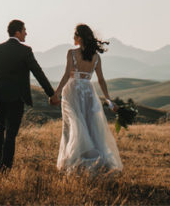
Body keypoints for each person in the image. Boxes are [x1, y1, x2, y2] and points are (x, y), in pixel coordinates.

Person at [0, 19, 58, 172]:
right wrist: (51, 94)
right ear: (17, 32)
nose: (26, 33)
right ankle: (6, 167)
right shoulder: (25, 51)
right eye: (24, 30)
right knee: (11, 133)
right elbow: (38, 73)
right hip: (16, 98)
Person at [51, 24, 123, 174]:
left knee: (73, 125)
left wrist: (56, 93)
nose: (73, 38)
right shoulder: (96, 57)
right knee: (90, 126)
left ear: (80, 38)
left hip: (73, 91)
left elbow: (66, 75)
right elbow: (101, 80)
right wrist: (108, 99)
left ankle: (75, 161)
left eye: (74, 36)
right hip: (88, 92)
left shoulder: (71, 53)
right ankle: (94, 160)